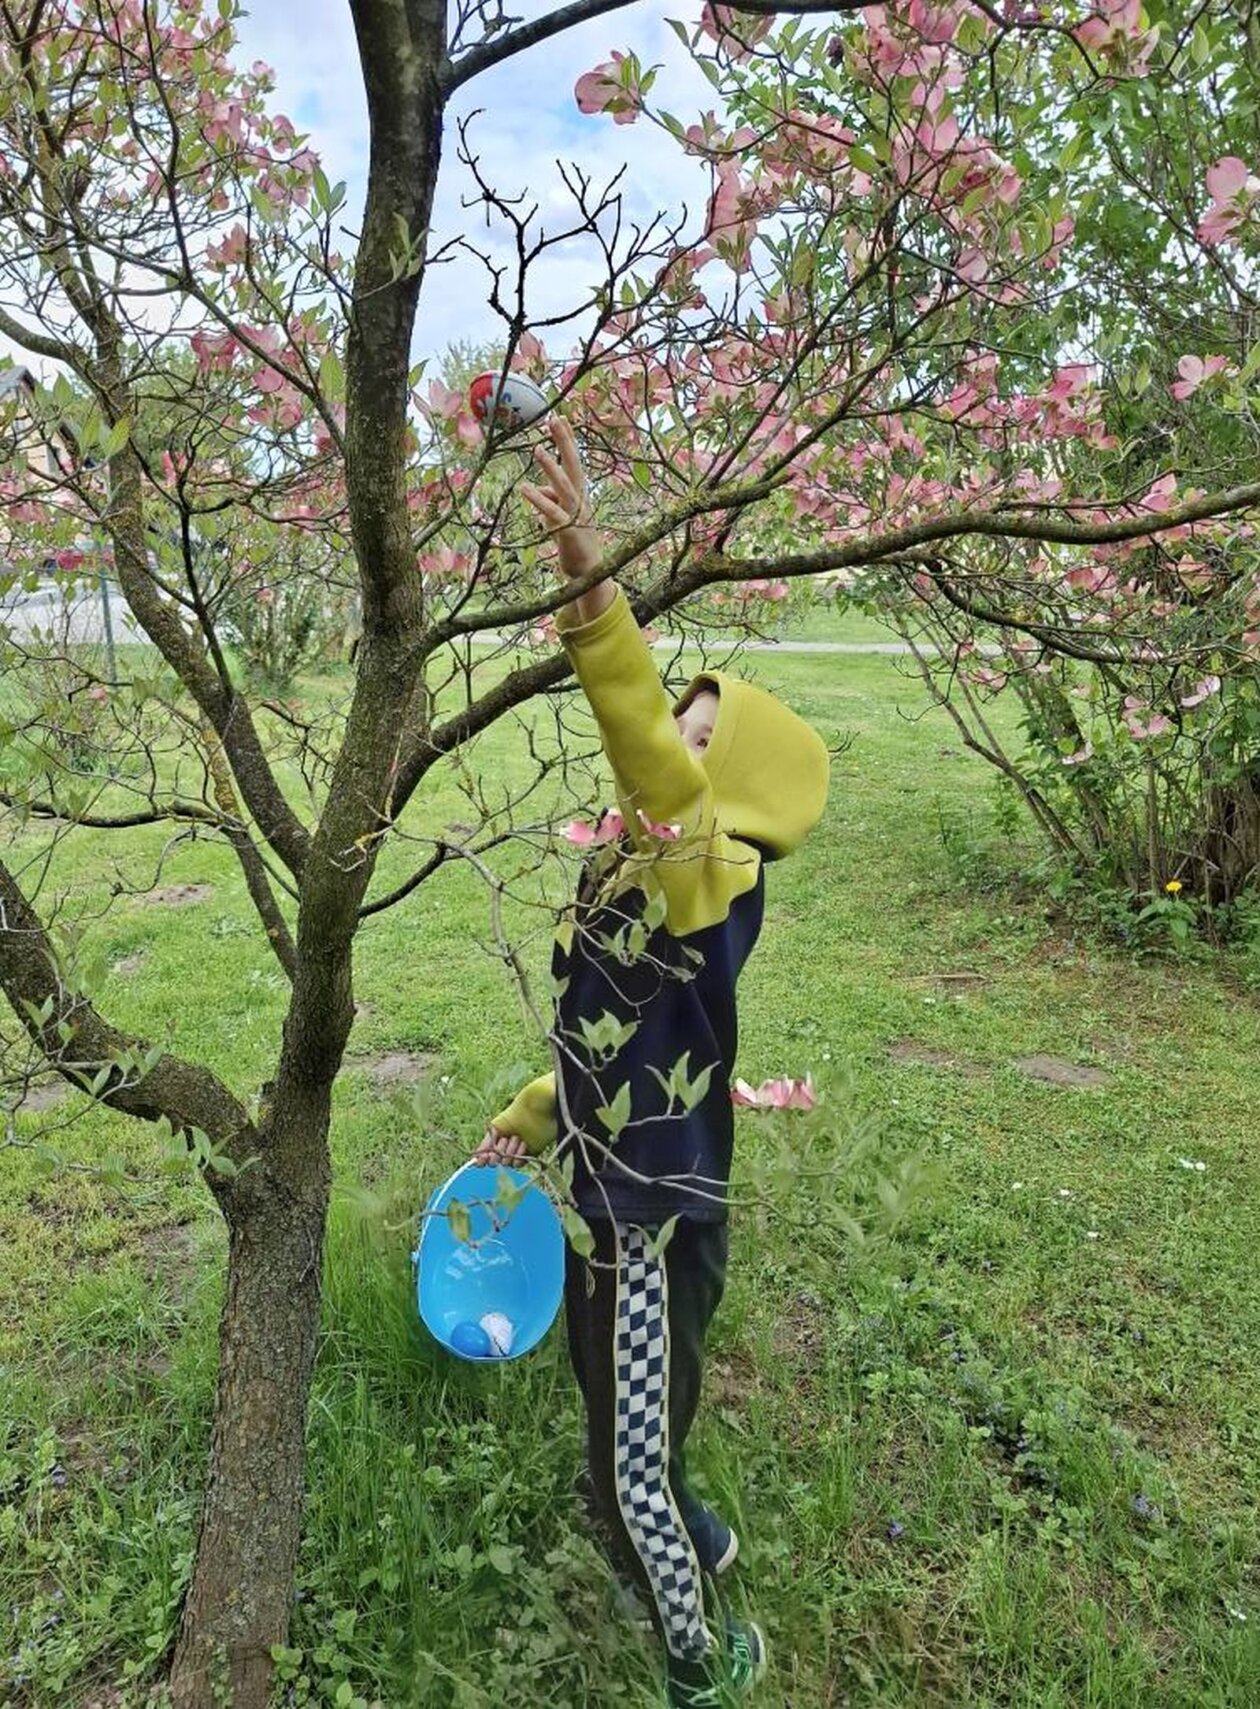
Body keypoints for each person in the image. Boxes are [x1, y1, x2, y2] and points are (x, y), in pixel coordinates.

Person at [474, 414, 829, 1707]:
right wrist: (527, 1112)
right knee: (619, 1396)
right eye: (670, 714)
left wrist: (591, 586)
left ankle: (696, 1652)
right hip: (612, 1190)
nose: (662, 742)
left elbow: (656, 773)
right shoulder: (641, 874)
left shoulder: (710, 880)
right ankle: (685, 1513)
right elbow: (597, 1030)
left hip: (655, 1218)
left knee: (624, 1452)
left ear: (730, 788)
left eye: (691, 732)